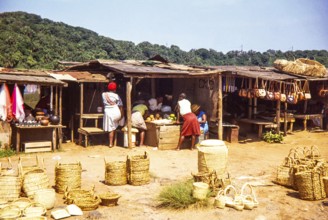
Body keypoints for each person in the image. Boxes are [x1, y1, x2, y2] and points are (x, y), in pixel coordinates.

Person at [102, 82, 124, 147]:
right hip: (116, 112)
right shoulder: (117, 96)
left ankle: (110, 143)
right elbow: (121, 106)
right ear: (115, 89)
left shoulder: (103, 94)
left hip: (108, 112)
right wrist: (121, 116)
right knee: (114, 125)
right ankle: (118, 140)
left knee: (111, 128)